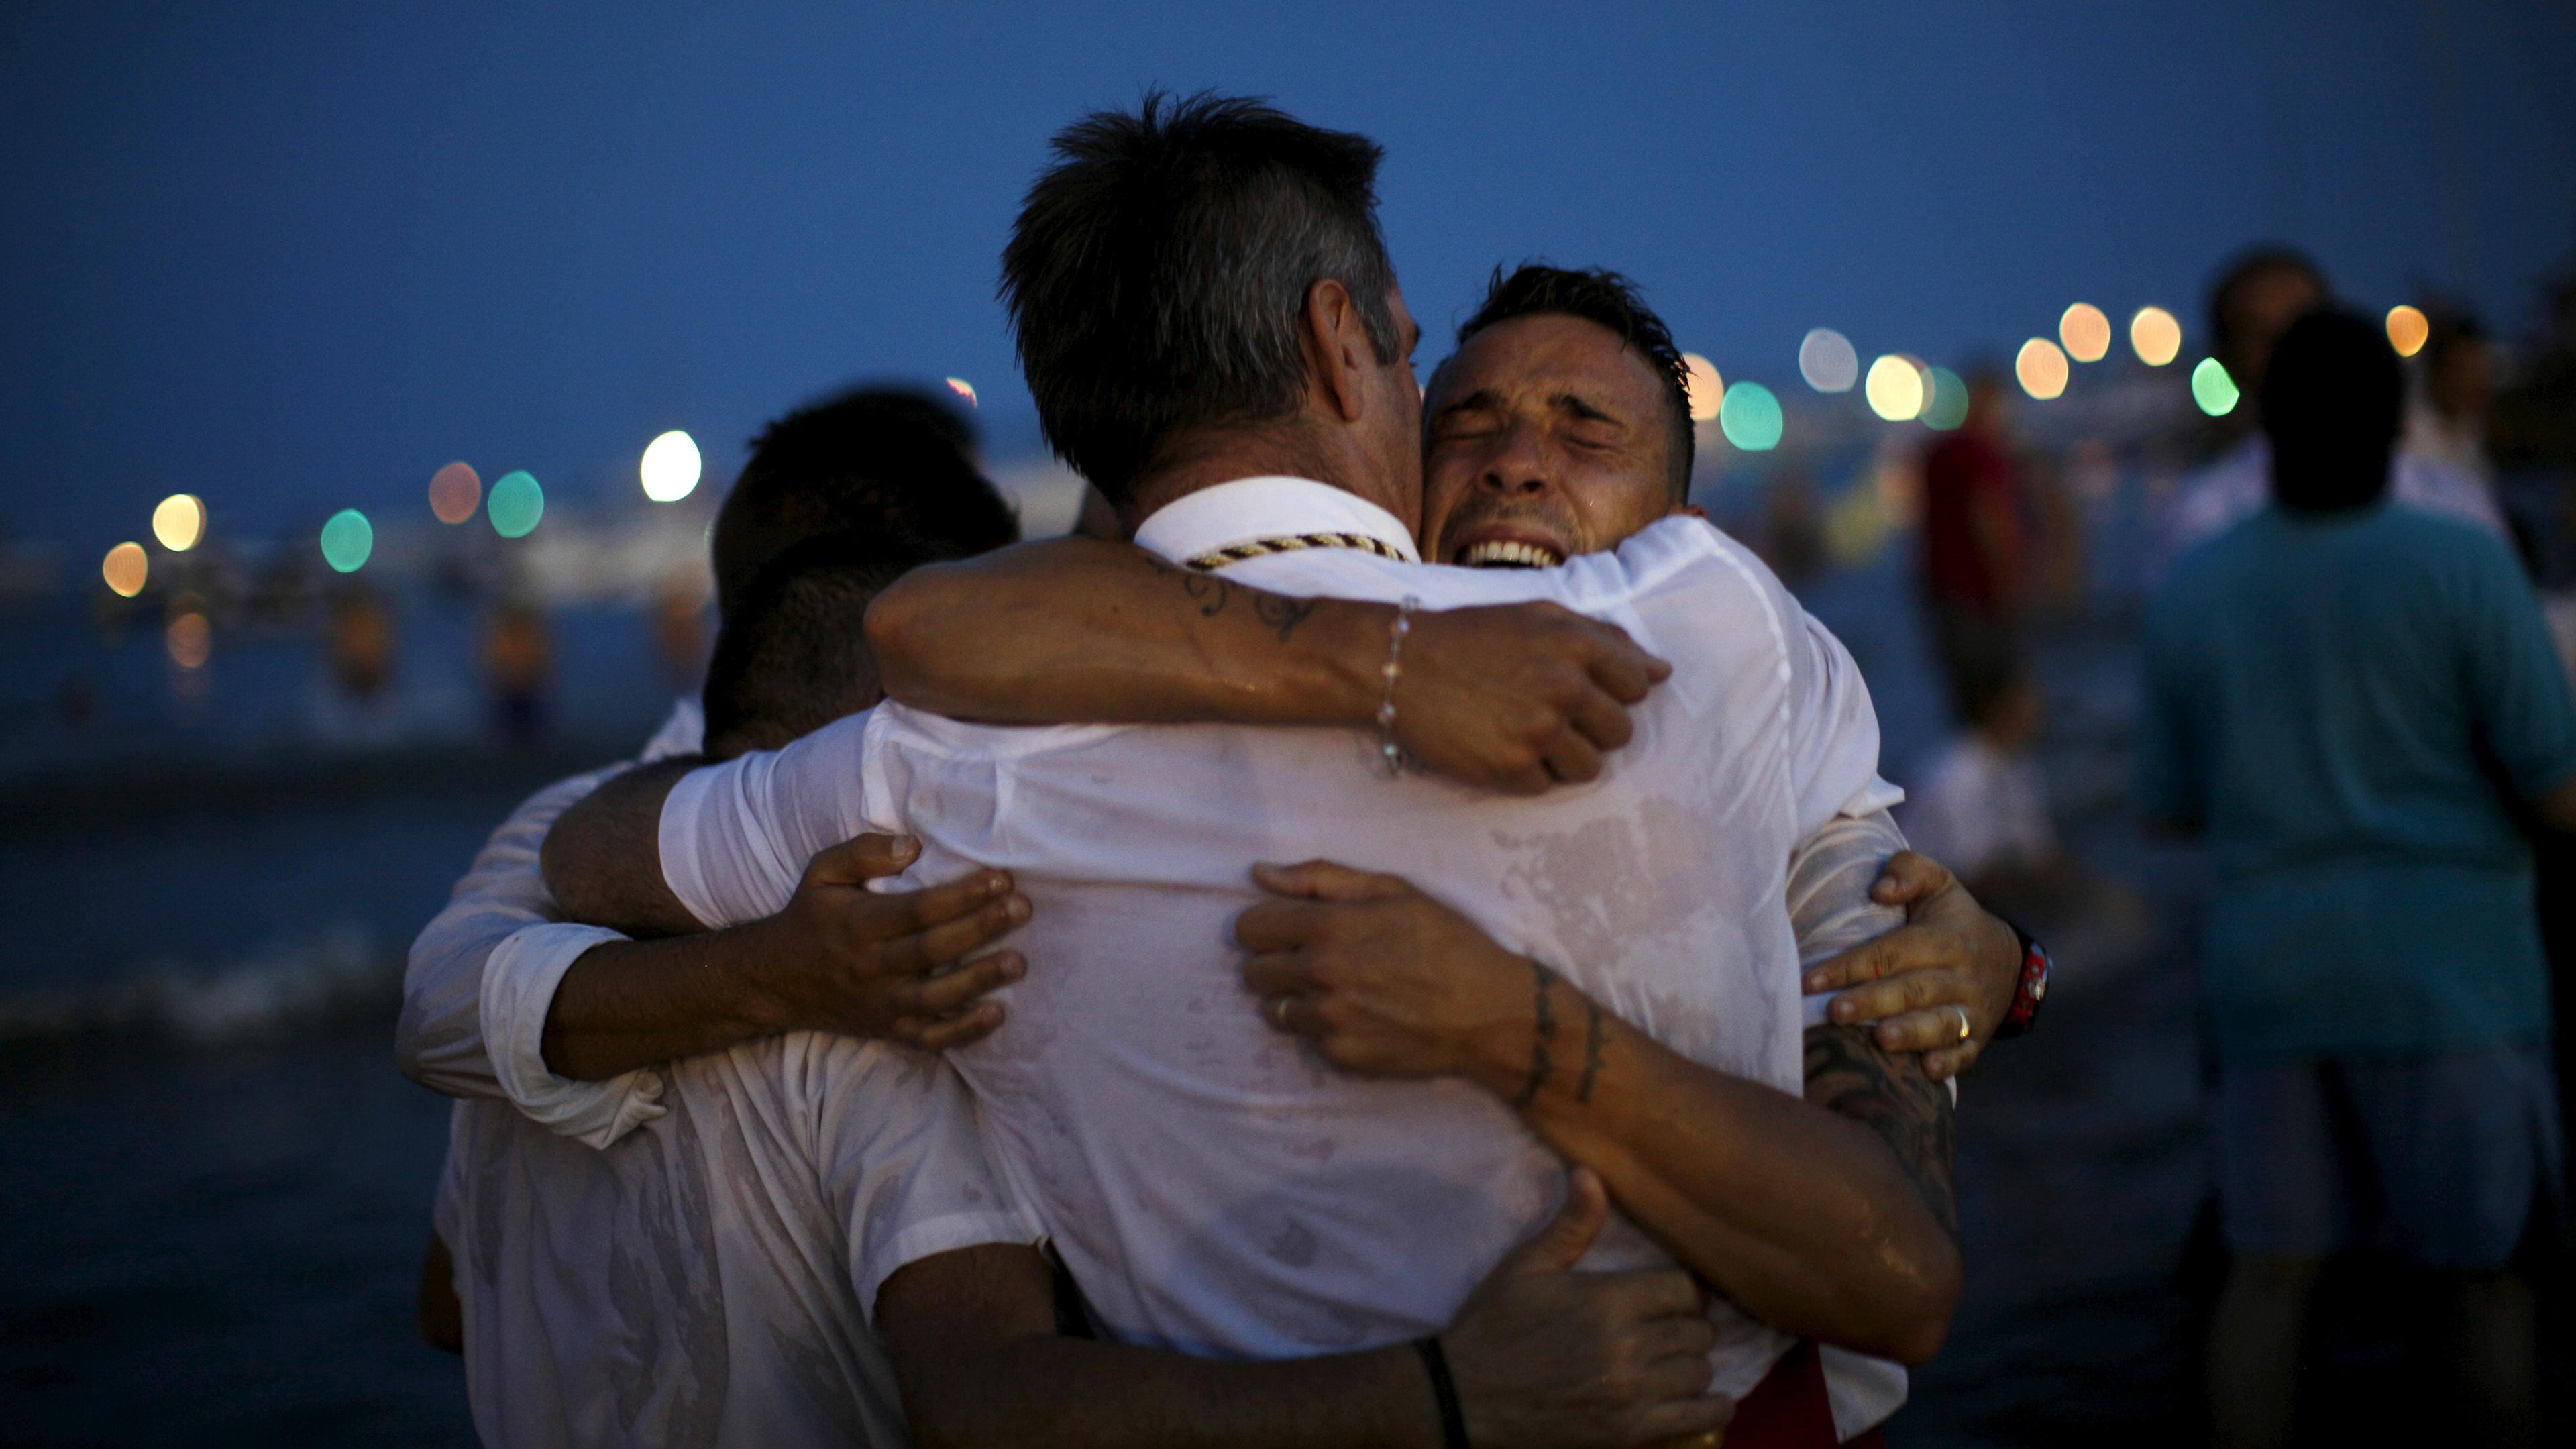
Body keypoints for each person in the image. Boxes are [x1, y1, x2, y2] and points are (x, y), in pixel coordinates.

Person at [543, 99, 2032, 1444]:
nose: (1514, 461)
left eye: (1584, 430)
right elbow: (1896, 1270)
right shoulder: (1692, 633)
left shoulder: (922, 765)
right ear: (1340, 342)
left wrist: (1996, 956)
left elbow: (588, 854)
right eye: (1433, 381)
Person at [403, 390, 1747, 1445]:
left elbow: (449, 1297)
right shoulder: (903, 948)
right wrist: (1449, 1398)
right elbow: (991, 1403)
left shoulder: (573, 844)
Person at [2139, 309, 2576, 1449]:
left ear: (2268, 424)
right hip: (2455, 980)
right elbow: (2558, 787)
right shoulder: (2467, 562)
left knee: (2269, 1279)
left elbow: (2169, 807)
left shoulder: (2196, 586)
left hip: (2268, 980)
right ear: (2399, 423)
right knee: (2481, 1287)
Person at [2151, 247, 2504, 582]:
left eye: (2304, 328)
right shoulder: (2200, 523)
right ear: (2229, 357)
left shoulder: (2450, 504)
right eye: (2260, 336)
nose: (2291, 352)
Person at [1915, 367, 2027, 712]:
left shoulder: (1936, 452)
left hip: (1944, 598)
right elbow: (1988, 523)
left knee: (1964, 700)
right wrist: (2009, 589)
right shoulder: (1981, 453)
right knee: (1996, 699)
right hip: (1980, 600)